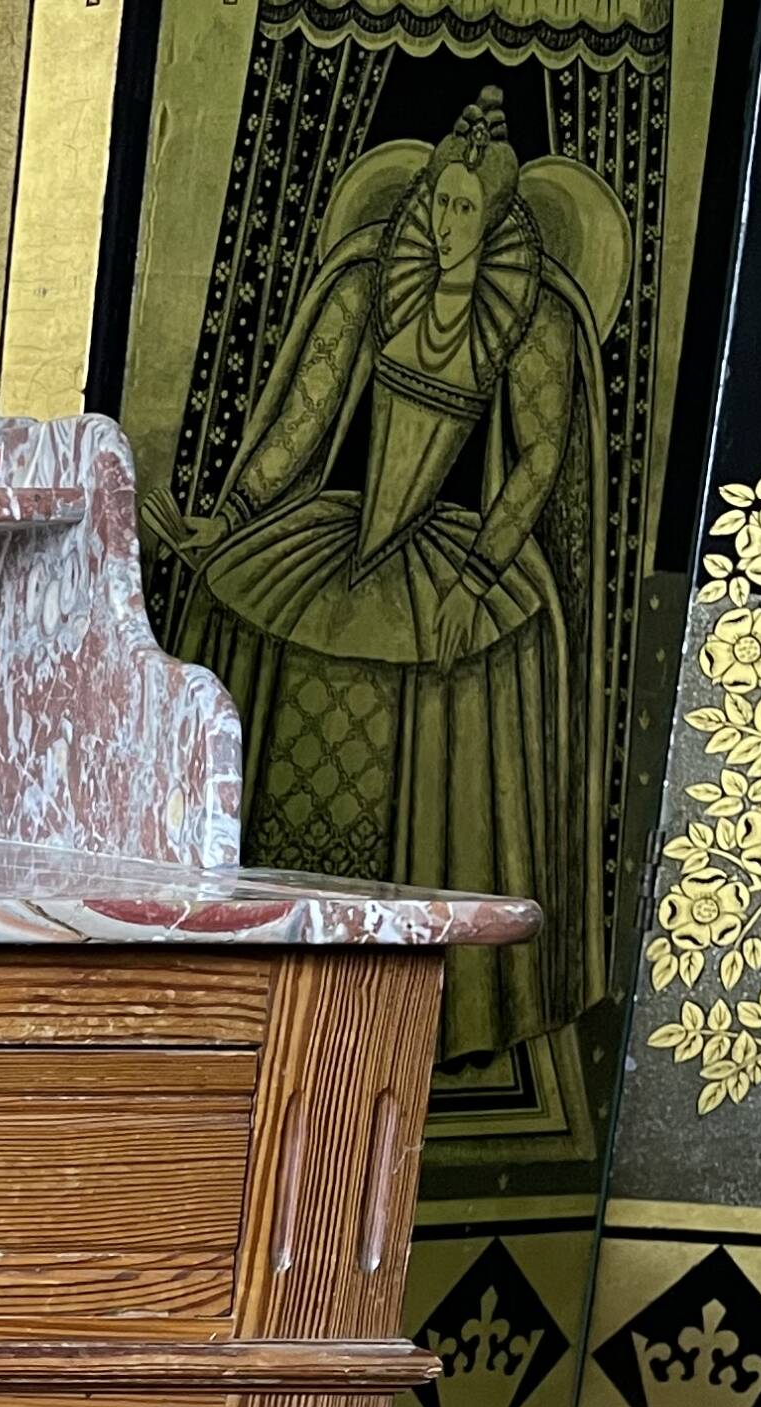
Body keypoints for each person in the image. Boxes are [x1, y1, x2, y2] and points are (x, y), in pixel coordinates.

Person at [156, 89, 621, 1063]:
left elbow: (535, 462)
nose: (448, 226)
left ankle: (431, 1009)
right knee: (247, 621)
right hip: (337, 543)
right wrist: (231, 519)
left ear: (497, 222)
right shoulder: (373, 282)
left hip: (459, 552)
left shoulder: (528, 318)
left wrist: (481, 574)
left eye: (466, 212)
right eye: (439, 206)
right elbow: (300, 423)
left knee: (453, 681)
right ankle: (253, 971)